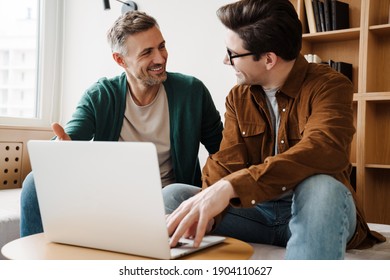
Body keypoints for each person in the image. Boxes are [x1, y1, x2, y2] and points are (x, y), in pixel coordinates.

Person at [164, 0, 385, 259]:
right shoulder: (239, 97)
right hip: (257, 213)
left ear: (269, 59)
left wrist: (232, 187)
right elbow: (227, 161)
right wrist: (211, 207)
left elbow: (324, 149)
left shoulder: (330, 85)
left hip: (313, 211)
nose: (225, 60)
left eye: (232, 53)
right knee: (175, 196)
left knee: (321, 188)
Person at [20, 11, 223, 237]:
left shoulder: (191, 92)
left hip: (169, 199)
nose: (160, 58)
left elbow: (224, 152)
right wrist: (60, 150)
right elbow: (69, 140)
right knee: (35, 181)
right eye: (147, 52)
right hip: (112, 199)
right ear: (120, 60)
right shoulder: (101, 95)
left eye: (161, 46)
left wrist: (212, 192)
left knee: (173, 194)